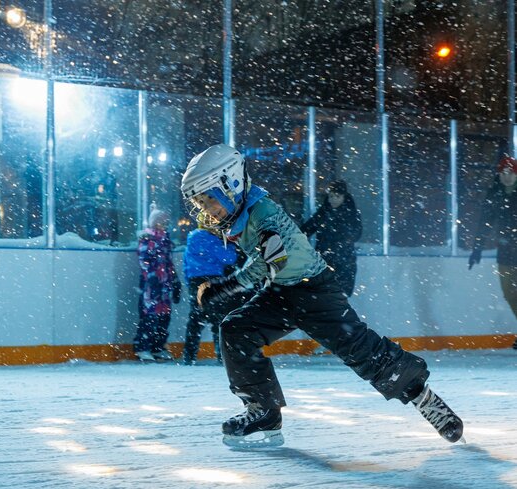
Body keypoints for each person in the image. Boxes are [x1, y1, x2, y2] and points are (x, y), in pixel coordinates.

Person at [180, 144, 463, 449]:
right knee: (236, 329)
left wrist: (227, 286)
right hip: (281, 291)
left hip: (314, 290)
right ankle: (262, 411)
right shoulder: (243, 213)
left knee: (360, 351)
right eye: (200, 203)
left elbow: (273, 261)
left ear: (231, 185)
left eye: (210, 200)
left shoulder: (264, 214)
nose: (207, 210)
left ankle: (425, 399)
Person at [469, 155, 517, 349]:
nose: (507, 176)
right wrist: (477, 249)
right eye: (503, 173)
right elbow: (485, 222)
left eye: (510, 173)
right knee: (509, 294)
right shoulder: (494, 193)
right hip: (506, 252)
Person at [182, 224, 238, 365]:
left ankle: (189, 355)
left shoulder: (192, 239)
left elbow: (185, 263)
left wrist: (190, 282)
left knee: (195, 319)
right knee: (218, 318)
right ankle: (222, 355)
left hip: (195, 281)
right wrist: (231, 246)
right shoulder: (211, 239)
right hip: (212, 280)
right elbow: (229, 258)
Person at [134, 203, 181, 362]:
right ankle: (143, 347)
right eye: (161, 220)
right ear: (154, 222)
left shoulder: (165, 240)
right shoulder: (148, 239)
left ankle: (157, 347)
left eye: (166, 221)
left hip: (165, 285)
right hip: (151, 285)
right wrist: (152, 277)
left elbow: (169, 263)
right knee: (150, 316)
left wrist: (175, 281)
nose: (165, 223)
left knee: (164, 316)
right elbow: (144, 260)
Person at [300, 179, 362, 297]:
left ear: (344, 196)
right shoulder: (324, 212)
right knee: (321, 296)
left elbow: (356, 233)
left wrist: (341, 241)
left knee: (336, 296)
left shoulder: (351, 214)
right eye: (331, 196)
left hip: (343, 262)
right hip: (325, 261)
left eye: (336, 196)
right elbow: (308, 228)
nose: (332, 199)